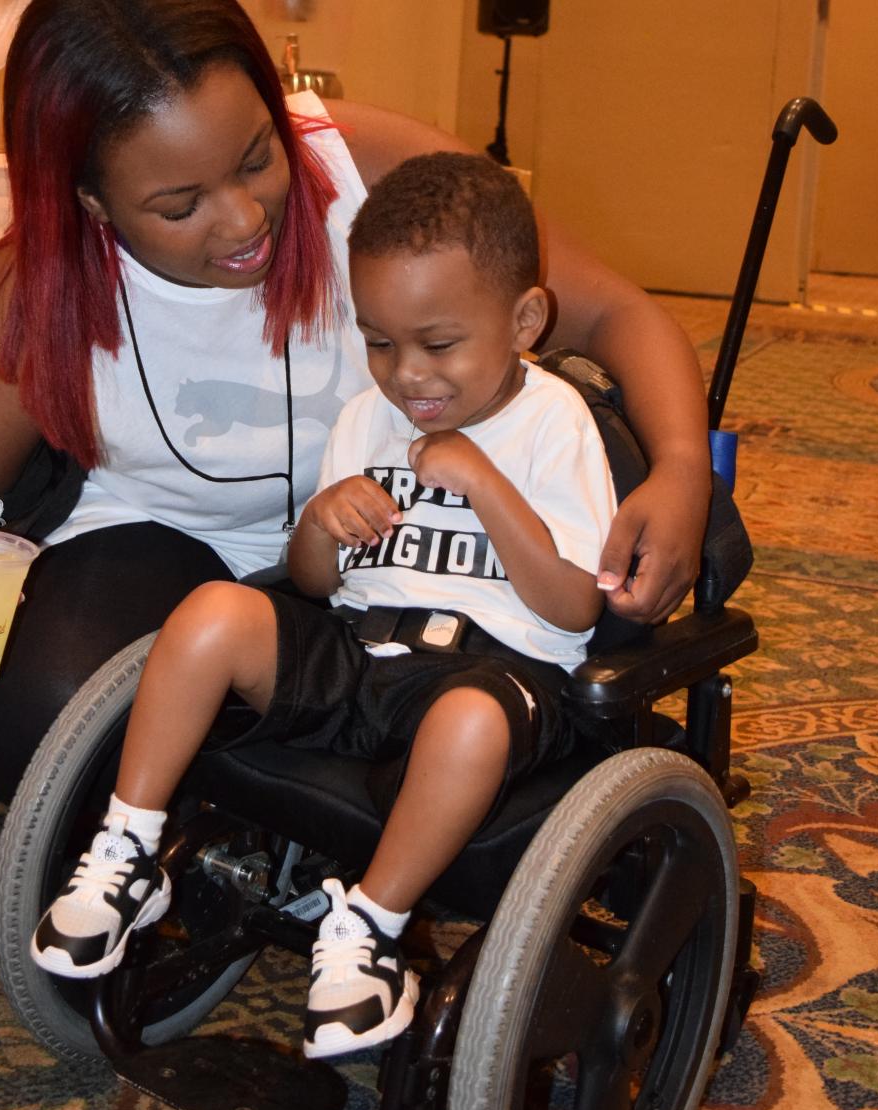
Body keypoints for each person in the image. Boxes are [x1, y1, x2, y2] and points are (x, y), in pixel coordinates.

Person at [0, 0, 709, 807]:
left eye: (256, 158)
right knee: (41, 707)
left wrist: (679, 472)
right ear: (93, 201)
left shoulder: (371, 171)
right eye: (180, 203)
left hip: (389, 568)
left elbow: (617, 312)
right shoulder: (29, 292)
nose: (243, 221)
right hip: (166, 559)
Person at [31, 151, 618, 1059]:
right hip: (363, 650)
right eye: (379, 342)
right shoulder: (367, 419)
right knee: (214, 611)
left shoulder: (553, 422)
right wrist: (319, 523)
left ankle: (371, 932)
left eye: (439, 343)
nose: (406, 375)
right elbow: (313, 586)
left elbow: (576, 607)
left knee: (465, 721)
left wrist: (487, 486)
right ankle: (129, 848)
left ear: (525, 319)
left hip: (497, 672)